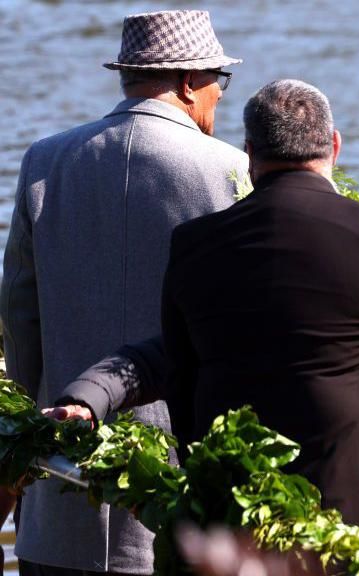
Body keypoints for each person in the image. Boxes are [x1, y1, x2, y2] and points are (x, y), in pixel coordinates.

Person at [54, 79, 359, 559]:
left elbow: (182, 375)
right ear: (334, 145)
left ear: (250, 152)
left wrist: (205, 483)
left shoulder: (195, 244)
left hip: (239, 502)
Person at [0, 10, 246, 575]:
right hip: (178, 499)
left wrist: (33, 438)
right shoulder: (232, 172)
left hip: (62, 493)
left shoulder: (45, 161)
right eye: (218, 82)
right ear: (188, 82)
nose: (218, 97)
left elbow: (18, 312)